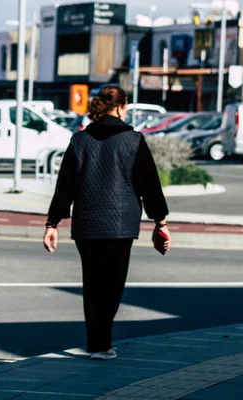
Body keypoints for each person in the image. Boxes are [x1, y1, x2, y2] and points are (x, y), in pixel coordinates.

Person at [43, 86, 171, 360]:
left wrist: (52, 223)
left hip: (87, 224)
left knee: (92, 285)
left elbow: (65, 185)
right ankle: (102, 344)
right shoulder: (133, 140)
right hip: (120, 225)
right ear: (122, 107)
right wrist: (159, 222)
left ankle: (97, 344)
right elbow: (148, 184)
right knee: (112, 286)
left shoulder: (80, 141)